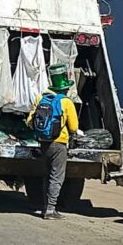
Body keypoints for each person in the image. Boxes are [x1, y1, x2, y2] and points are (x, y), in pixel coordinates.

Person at [27, 64, 79, 220]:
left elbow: (30, 121)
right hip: (59, 144)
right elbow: (74, 127)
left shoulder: (41, 98)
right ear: (65, 89)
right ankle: (51, 210)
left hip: (43, 143)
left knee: (47, 175)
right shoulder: (66, 102)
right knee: (57, 176)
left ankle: (45, 207)